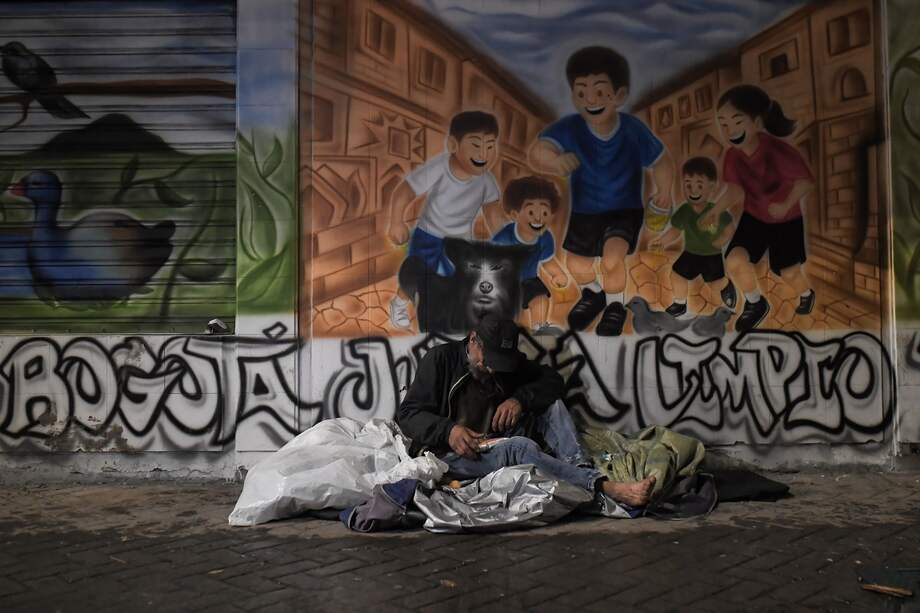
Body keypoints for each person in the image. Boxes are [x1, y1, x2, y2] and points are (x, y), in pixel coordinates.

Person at [396, 314, 656, 507]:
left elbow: (553, 381)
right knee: (519, 448)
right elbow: (407, 414)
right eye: (488, 362)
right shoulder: (440, 359)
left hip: (494, 440)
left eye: (499, 364)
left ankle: (578, 467)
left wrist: (519, 400)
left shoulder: (508, 364)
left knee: (552, 406)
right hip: (452, 455)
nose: (493, 369)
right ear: (473, 340)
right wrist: (449, 431)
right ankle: (604, 487)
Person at [528, 45, 674, 336]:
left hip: (624, 210)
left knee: (611, 260)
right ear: (573, 96)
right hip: (585, 212)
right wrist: (554, 161)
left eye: (599, 91)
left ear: (619, 95)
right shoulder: (570, 128)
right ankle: (594, 294)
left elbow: (661, 162)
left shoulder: (632, 129)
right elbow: (537, 152)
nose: (590, 100)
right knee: (576, 265)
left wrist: (665, 191)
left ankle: (615, 305)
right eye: (581, 93)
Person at [701, 84, 816, 331]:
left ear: (756, 122)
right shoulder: (732, 156)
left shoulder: (777, 150)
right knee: (734, 260)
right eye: (724, 124)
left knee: (789, 273)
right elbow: (735, 190)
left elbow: (805, 182)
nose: (730, 130)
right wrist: (715, 210)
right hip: (754, 217)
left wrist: (785, 205)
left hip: (786, 221)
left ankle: (806, 293)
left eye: (737, 121)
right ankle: (755, 303)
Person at [387, 111, 504, 330]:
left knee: (459, 282)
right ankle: (400, 302)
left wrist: (505, 242)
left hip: (461, 242)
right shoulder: (440, 168)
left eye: (490, 146)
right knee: (416, 275)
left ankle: (455, 317)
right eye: (476, 145)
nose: (484, 153)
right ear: (453, 145)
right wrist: (396, 222)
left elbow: (494, 215)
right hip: (429, 235)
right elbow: (405, 190)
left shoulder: (487, 181)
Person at [654, 157, 736, 317]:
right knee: (676, 275)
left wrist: (720, 242)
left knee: (715, 284)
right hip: (690, 253)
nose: (693, 191)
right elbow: (675, 231)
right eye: (688, 185)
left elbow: (729, 229)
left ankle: (726, 285)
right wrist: (661, 242)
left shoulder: (717, 211)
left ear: (712, 187)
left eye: (699, 185)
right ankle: (680, 304)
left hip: (711, 255)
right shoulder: (684, 211)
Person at [491, 176, 568, 336]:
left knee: (540, 298)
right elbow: (492, 262)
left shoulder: (545, 237)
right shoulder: (504, 238)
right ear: (514, 214)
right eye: (531, 212)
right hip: (506, 282)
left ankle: (539, 327)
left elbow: (547, 261)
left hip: (530, 280)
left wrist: (557, 274)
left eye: (544, 212)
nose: (538, 218)